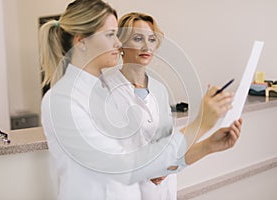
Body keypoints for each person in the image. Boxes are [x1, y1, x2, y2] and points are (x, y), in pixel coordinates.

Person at [39, 1, 242, 199]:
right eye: (110, 35)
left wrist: (208, 146)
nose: (117, 43)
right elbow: (124, 166)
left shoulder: (101, 91)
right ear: (81, 41)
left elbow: (149, 158)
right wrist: (201, 124)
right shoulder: (61, 100)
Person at [102, 12, 243, 200]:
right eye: (137, 38)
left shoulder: (159, 90)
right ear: (121, 45)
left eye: (151, 39)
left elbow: (169, 149)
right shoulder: (105, 89)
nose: (146, 46)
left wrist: (210, 145)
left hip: (163, 191)